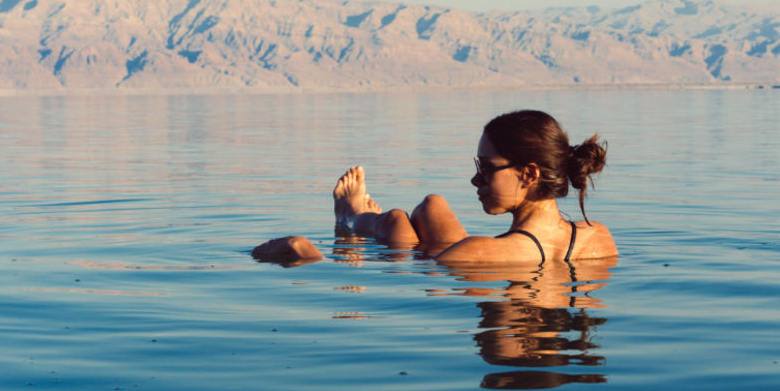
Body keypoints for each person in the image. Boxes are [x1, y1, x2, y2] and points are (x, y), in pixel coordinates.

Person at [253, 110, 617, 265]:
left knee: (396, 223)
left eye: (487, 170)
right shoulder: (598, 238)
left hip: (459, 259)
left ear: (530, 174)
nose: (476, 181)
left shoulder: (475, 252)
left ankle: (350, 217)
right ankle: (356, 215)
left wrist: (302, 253)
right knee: (432, 204)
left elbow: (424, 275)